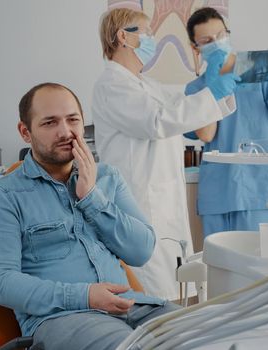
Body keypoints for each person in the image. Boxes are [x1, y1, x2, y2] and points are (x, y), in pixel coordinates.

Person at [0, 82, 179, 350]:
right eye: (49, 123)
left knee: (214, 336)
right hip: (64, 318)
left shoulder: (107, 178)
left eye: (73, 120)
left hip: (134, 307)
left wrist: (92, 197)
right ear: (25, 132)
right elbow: (2, 283)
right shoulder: (4, 196)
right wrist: (85, 296)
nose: (66, 132)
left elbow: (141, 251)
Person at [92, 7, 240, 300]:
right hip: (139, 209)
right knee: (153, 296)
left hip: (162, 207)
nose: (152, 41)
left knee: (175, 292)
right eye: (146, 33)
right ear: (124, 37)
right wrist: (212, 92)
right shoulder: (112, 85)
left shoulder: (147, 85)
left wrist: (216, 77)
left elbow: (182, 102)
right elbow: (158, 121)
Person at [184, 7, 268, 237]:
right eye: (207, 40)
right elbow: (206, 135)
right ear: (196, 48)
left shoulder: (259, 71)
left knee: (264, 267)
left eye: (221, 35)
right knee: (220, 268)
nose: (217, 43)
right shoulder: (196, 89)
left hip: (262, 190)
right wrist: (211, 92)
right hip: (219, 193)